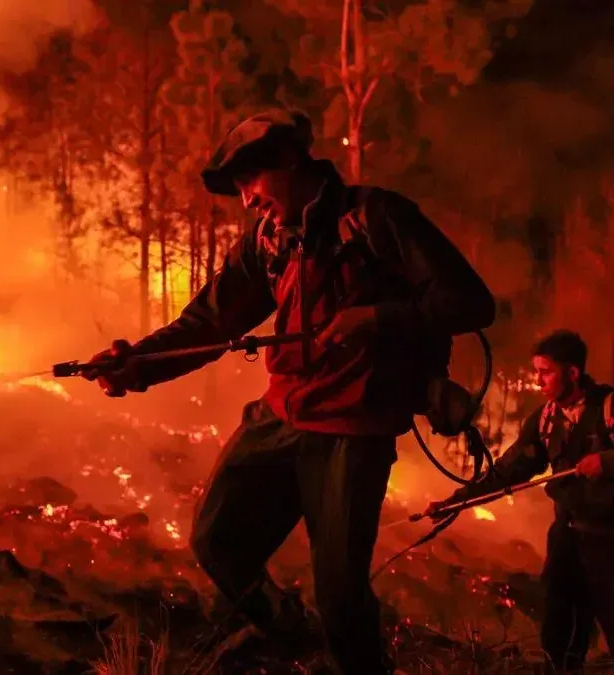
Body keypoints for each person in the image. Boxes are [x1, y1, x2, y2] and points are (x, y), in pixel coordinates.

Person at [85, 109, 496, 674]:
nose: (248, 200)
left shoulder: (376, 217)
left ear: (288, 160)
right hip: (280, 415)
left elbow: (470, 304)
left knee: (341, 595)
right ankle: (287, 632)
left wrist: (374, 318)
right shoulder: (268, 241)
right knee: (217, 541)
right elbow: (210, 322)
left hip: (353, 433)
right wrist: (138, 365)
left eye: (251, 182)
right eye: (239, 191)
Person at [426, 330, 614, 672]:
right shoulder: (545, 420)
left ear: (572, 373)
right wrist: (453, 502)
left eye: (546, 372)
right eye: (536, 371)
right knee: (560, 642)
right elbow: (506, 474)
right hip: (566, 541)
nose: (538, 380)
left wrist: (608, 462)